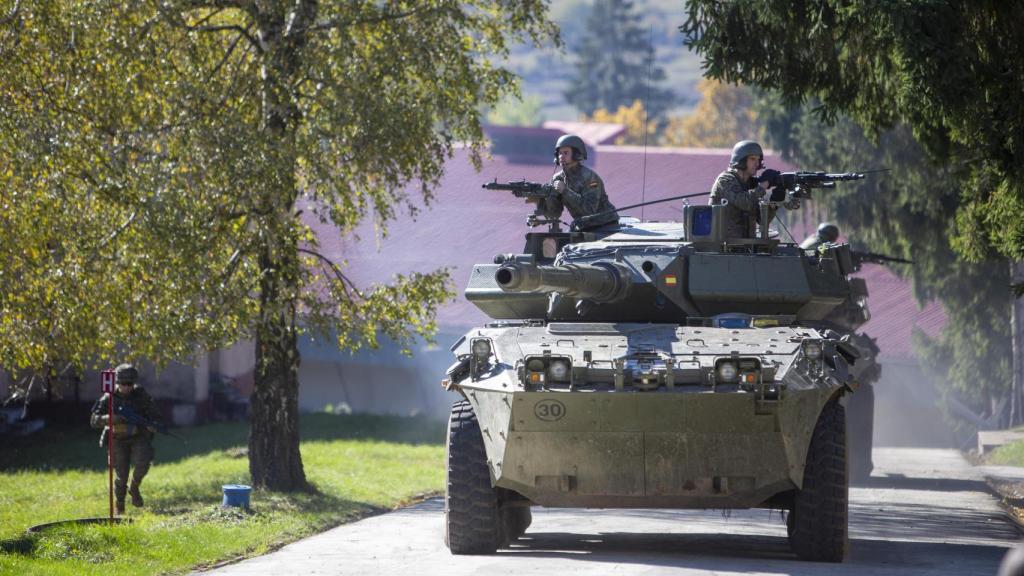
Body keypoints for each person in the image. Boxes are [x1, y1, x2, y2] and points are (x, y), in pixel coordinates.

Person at [91, 363, 160, 514]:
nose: (127, 387)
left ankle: (134, 487)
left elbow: (154, 413)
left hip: (138, 436)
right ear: (117, 382)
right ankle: (120, 505)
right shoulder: (109, 397)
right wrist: (109, 418)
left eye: (130, 384)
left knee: (143, 462)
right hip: (117, 439)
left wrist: (152, 424)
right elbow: (94, 420)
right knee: (121, 476)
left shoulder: (140, 395)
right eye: (123, 384)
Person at [542, 134, 619, 230]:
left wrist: (565, 191)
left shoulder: (590, 177)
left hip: (606, 226)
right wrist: (547, 197)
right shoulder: (557, 178)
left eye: (565, 153)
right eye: (559, 153)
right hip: (584, 226)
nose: (561, 156)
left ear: (576, 154)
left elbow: (589, 211)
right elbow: (554, 214)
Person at [709, 140, 781, 238]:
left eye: (758, 160)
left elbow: (761, 220)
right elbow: (744, 202)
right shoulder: (725, 180)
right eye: (753, 159)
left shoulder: (750, 184)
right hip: (723, 243)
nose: (757, 164)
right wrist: (763, 186)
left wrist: (774, 203)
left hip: (747, 244)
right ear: (741, 160)